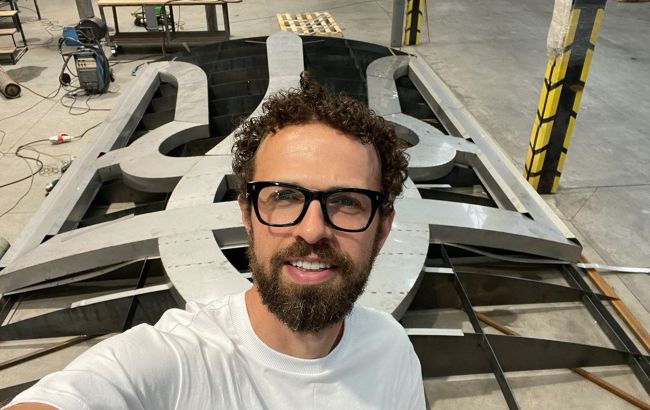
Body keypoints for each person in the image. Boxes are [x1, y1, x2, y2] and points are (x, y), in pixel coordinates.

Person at [6, 73, 425, 409]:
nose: (313, 230)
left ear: (382, 229)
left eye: (347, 202)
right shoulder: (174, 362)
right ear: (246, 215)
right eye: (284, 197)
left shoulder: (391, 350)